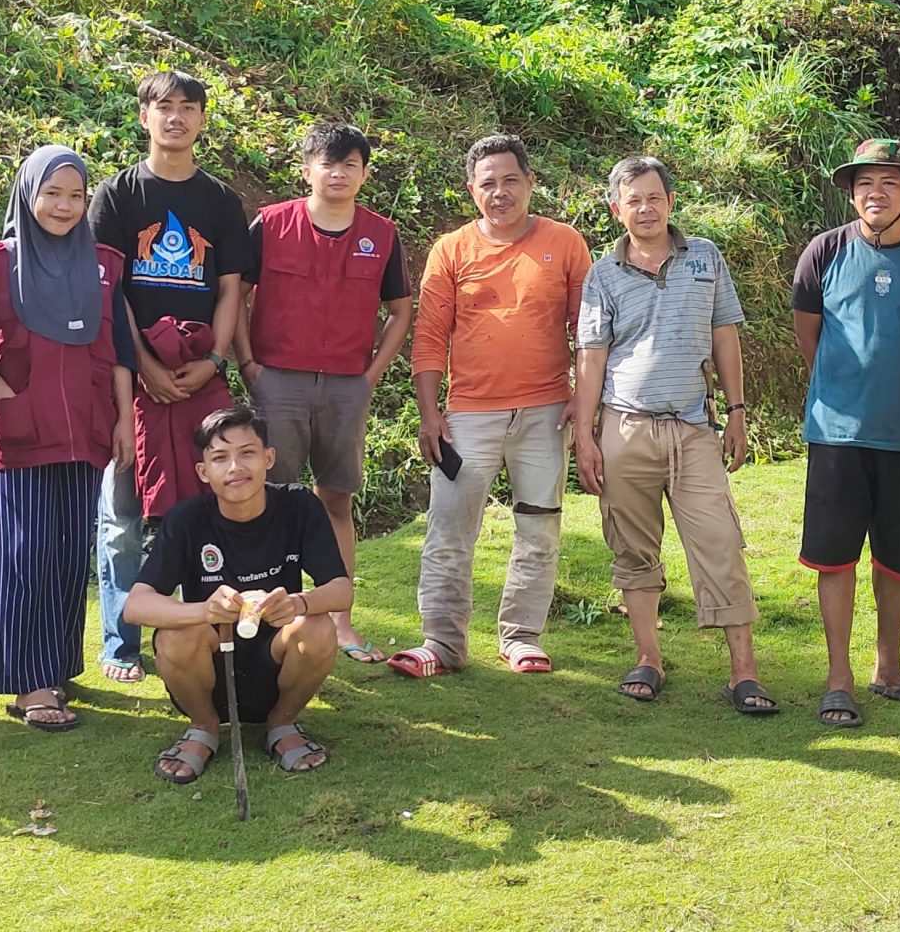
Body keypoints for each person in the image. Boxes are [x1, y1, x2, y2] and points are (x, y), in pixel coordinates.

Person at [571, 155, 775, 714]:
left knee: (720, 542)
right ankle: (648, 658)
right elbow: (590, 358)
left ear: (670, 202)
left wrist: (737, 410)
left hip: (693, 427)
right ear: (616, 209)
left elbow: (725, 334)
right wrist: (585, 436)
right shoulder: (602, 274)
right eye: (633, 200)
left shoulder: (705, 256)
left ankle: (744, 672)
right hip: (625, 427)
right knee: (632, 547)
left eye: (654, 197)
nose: (645, 208)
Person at [391, 133, 591, 679]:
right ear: (471, 191)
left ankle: (522, 637)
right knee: (448, 532)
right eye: (488, 184)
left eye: (510, 180)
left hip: (546, 411)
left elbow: (588, 330)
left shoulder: (565, 243)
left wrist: (583, 397)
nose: (499, 192)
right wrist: (429, 413)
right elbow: (430, 336)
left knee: (538, 529)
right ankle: (441, 643)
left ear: (530, 182)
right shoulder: (451, 250)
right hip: (468, 416)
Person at [87, 70, 248, 684]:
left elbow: (230, 289)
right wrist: (143, 364)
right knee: (123, 516)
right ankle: (120, 644)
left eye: (188, 107)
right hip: (130, 376)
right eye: (164, 106)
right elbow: (112, 288)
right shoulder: (117, 196)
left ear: (202, 119)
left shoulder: (220, 201)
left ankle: (207, 630)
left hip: (202, 373)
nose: (175, 117)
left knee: (214, 504)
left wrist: (216, 360)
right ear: (144, 117)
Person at [238, 123, 416, 664]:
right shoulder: (271, 224)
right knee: (270, 499)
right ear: (306, 170)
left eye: (350, 165)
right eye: (328, 163)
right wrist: (248, 365)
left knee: (336, 498)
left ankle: (339, 621)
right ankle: (265, 618)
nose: (338, 174)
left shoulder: (381, 235)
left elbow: (400, 310)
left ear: (364, 174)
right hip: (278, 381)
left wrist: (371, 375)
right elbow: (236, 295)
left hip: (345, 386)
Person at [0, 146, 137, 732]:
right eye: (52, 194)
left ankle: (57, 667)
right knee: (24, 554)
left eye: (76, 196)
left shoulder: (104, 264)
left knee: (69, 553)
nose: (64, 207)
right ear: (27, 195)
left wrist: (124, 419)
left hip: (86, 429)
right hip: (22, 430)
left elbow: (119, 349)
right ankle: (28, 683)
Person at [792, 137, 900, 729]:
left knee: (896, 557)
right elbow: (808, 333)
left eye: (888, 182)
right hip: (836, 432)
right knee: (835, 557)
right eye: (864, 184)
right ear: (851, 194)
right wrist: (845, 385)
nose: (875, 193)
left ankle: (890, 670)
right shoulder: (825, 251)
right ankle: (839, 679)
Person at [126, 406, 352, 784]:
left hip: (277, 662)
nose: (235, 467)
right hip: (210, 670)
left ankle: (282, 724)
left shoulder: (298, 505)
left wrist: (297, 603)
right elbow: (135, 605)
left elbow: (341, 590)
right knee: (175, 634)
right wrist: (204, 611)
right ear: (203, 472)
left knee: (317, 628)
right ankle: (204, 727)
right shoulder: (187, 519)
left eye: (247, 453)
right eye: (220, 458)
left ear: (269, 458)